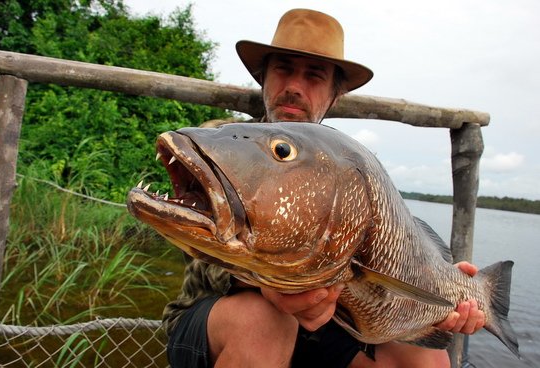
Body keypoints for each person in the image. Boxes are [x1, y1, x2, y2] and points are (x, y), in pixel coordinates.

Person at [164, 8, 485, 368]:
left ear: (335, 93)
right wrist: (275, 282)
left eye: (314, 76)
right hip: (218, 317)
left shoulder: (346, 165)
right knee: (264, 323)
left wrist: (431, 304)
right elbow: (197, 240)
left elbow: (388, 264)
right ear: (264, 77)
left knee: (429, 359)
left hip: (324, 320)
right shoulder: (220, 140)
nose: (294, 87)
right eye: (283, 68)